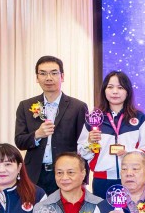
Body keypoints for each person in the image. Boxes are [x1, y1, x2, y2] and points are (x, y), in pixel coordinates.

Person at [15, 55, 89, 195]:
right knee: (35, 209)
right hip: (35, 174)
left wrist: (83, 178)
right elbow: (20, 141)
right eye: (43, 73)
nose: (48, 78)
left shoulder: (78, 107)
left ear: (62, 76)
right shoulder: (26, 106)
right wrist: (37, 135)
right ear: (37, 78)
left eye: (54, 73)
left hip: (66, 175)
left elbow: (83, 144)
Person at [80, 70, 145, 201]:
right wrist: (89, 142)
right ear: (104, 90)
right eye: (110, 87)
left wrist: (129, 154)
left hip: (131, 178)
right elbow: (82, 152)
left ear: (127, 91)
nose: (115, 92)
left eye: (120, 87)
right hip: (102, 180)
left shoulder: (139, 118)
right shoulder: (94, 117)